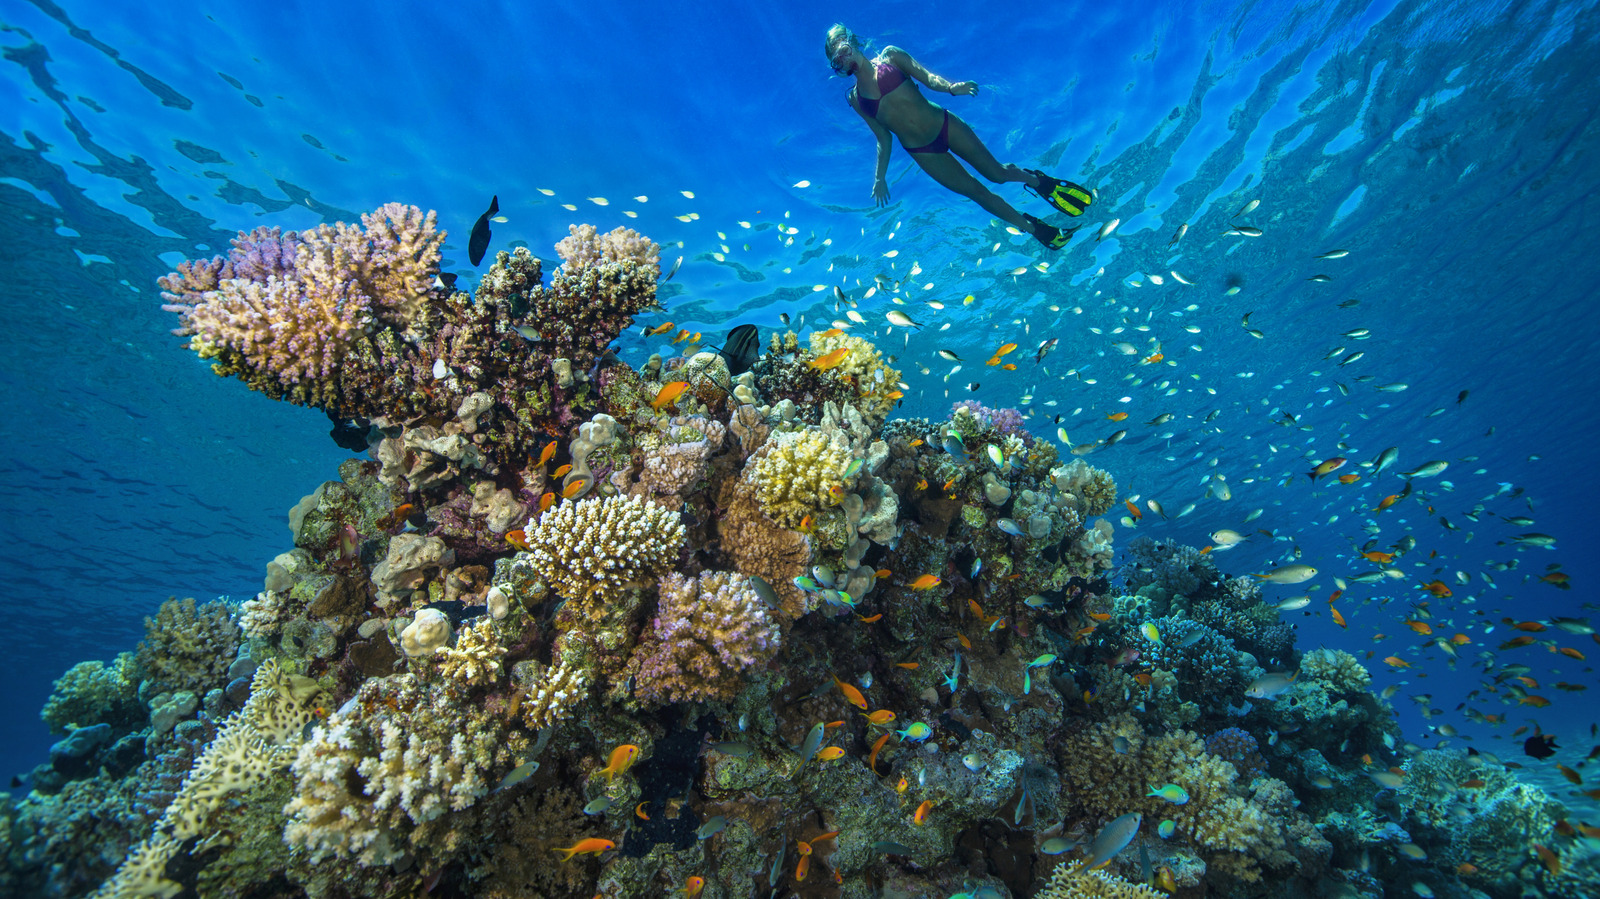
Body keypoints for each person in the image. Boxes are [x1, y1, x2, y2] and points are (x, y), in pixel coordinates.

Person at [824, 24, 1093, 249]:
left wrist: (952, 88)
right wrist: (879, 177)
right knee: (977, 193)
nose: (846, 61)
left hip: (944, 124)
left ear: (852, 42)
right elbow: (883, 137)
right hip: (923, 152)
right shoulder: (856, 99)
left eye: (844, 51)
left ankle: (1037, 181)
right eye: (838, 61)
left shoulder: (890, 57)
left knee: (997, 174)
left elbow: (928, 77)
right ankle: (1031, 227)